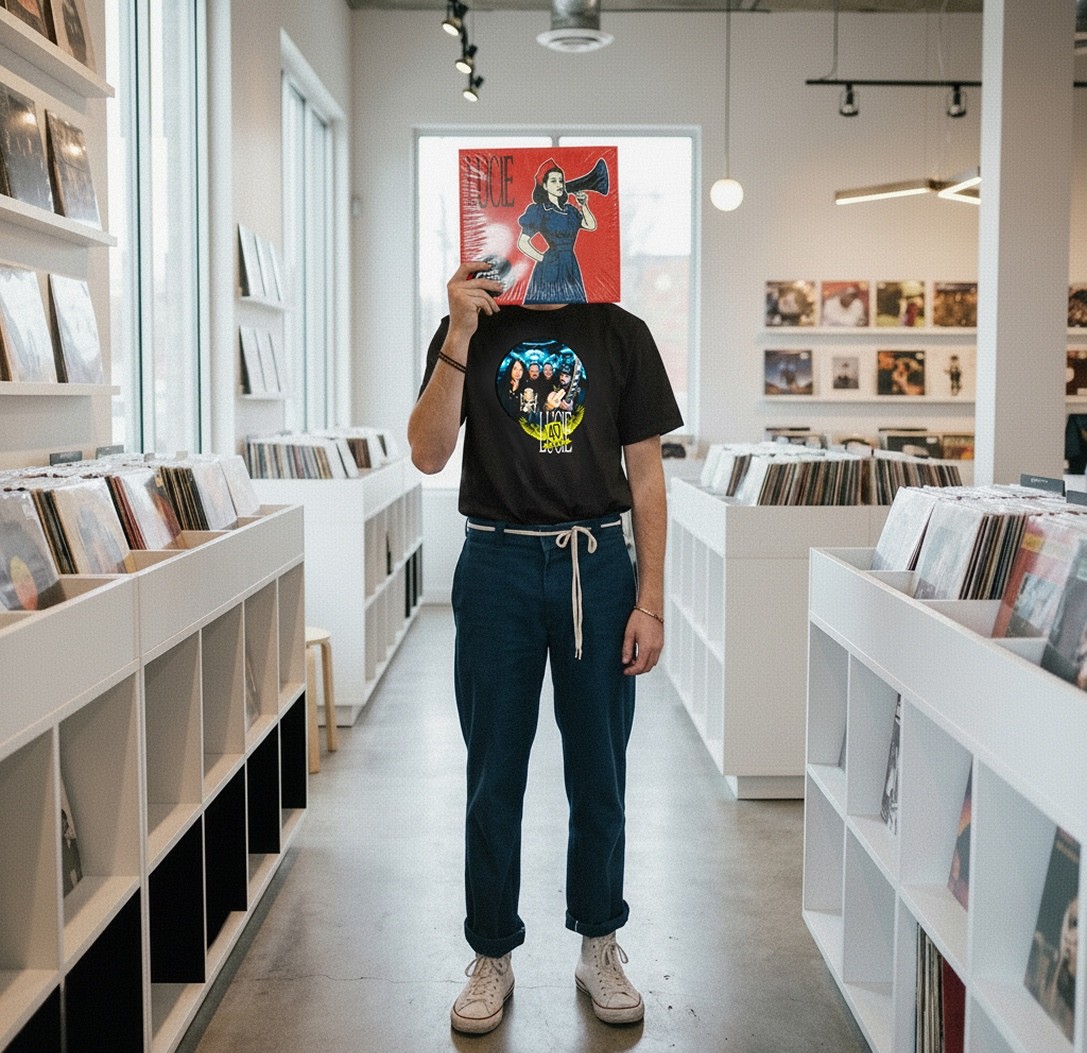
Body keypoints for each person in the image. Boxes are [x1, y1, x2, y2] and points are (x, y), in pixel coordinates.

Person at [408, 260, 683, 1035]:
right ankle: (490, 950)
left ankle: (599, 942)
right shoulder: (471, 325)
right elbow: (427, 453)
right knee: (492, 771)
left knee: (600, 769)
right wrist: (459, 331)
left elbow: (646, 476)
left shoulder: (621, 332)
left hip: (594, 563)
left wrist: (649, 600)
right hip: (495, 560)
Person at [517, 163, 598, 305]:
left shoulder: (570, 210)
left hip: (570, 264)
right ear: (545, 186)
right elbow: (522, 243)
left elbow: (590, 225)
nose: (559, 184)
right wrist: (543, 259)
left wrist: (583, 204)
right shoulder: (540, 210)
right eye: (553, 181)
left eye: (561, 181)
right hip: (551, 266)